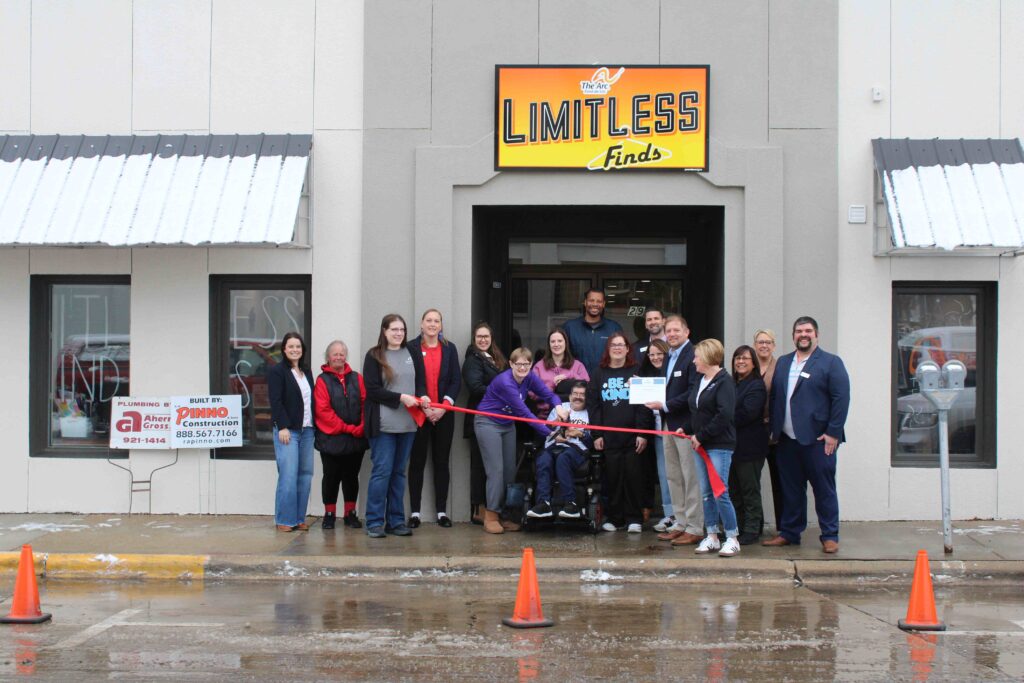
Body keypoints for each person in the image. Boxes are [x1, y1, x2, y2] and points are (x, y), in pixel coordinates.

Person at [764, 316, 851, 554]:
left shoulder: (831, 363)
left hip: (818, 440)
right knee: (791, 490)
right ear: (793, 336)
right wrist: (774, 430)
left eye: (808, 331)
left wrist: (833, 433)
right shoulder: (782, 362)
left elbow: (841, 399)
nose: (803, 334)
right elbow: (775, 398)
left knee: (824, 489)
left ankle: (830, 535)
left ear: (816, 334)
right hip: (786, 440)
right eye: (799, 331)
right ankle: (790, 532)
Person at [474, 348, 564, 534]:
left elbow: (548, 394)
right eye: (518, 364)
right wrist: (550, 433)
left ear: (531, 365)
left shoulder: (530, 377)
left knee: (509, 471)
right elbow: (525, 414)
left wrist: (559, 406)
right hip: (488, 422)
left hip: (507, 424)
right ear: (511, 364)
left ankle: (505, 514)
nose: (522, 367)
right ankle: (490, 515)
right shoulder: (506, 382)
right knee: (496, 470)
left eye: (526, 364)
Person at [362, 314, 427, 539]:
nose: (398, 333)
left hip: (408, 424)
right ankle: (374, 522)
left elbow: (420, 383)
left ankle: (396, 521)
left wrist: (422, 397)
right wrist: (401, 397)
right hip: (383, 425)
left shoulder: (413, 353)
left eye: (402, 329)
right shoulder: (374, 356)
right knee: (382, 472)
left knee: (399, 473)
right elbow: (372, 390)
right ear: (384, 331)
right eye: (394, 330)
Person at [587, 332, 652, 533]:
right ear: (608, 349)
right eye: (613, 345)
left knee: (634, 478)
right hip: (609, 439)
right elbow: (594, 405)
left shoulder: (636, 370)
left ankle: (634, 519)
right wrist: (597, 434)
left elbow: (644, 404)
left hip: (633, 437)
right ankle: (615, 519)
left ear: (627, 348)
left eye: (621, 345)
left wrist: (642, 432)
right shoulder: (599, 373)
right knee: (613, 479)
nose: (617, 348)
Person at [682, 338, 741, 557]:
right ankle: (712, 535)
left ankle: (732, 537)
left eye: (696, 356)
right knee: (706, 493)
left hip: (718, 445)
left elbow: (724, 415)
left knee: (720, 492)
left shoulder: (724, 381)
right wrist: (685, 428)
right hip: (701, 444)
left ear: (707, 357)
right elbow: (697, 411)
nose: (694, 360)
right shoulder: (701, 379)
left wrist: (701, 435)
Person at [649, 315, 704, 546]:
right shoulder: (669, 356)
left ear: (687, 332)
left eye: (676, 330)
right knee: (674, 476)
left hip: (685, 425)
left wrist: (666, 405)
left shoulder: (692, 355)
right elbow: (664, 389)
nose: (671, 334)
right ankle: (680, 523)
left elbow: (693, 392)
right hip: (667, 424)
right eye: (668, 331)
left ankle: (694, 527)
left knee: (690, 476)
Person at [407, 309, 461, 529]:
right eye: (428, 320)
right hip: (419, 414)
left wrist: (444, 407)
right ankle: (415, 513)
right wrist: (422, 402)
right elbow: (410, 378)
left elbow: (456, 380)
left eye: (436, 321)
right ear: (421, 324)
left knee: (441, 463)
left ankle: (441, 512)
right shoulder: (410, 348)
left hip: (443, 415)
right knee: (417, 463)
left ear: (441, 325)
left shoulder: (449, 348)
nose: (432, 324)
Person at [313, 340, 368, 530]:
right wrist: (350, 428)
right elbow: (323, 412)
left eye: (342, 354)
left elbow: (364, 402)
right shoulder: (322, 380)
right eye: (334, 354)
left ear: (346, 356)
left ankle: (350, 514)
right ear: (328, 357)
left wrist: (362, 425)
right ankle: (329, 514)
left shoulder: (357, 378)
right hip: (331, 439)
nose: (338, 357)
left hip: (355, 439)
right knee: (331, 477)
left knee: (351, 476)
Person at [267, 331, 316, 532]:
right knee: (288, 475)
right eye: (291, 347)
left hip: (307, 430)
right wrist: (283, 426)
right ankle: (285, 520)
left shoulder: (306, 371)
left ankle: (298, 518)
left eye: (298, 346)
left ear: (302, 350)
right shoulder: (277, 371)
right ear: (284, 350)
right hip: (288, 431)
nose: (295, 350)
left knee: (305, 475)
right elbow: (276, 401)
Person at [462, 322, 507, 525]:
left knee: (495, 467)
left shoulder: (495, 358)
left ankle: (495, 508)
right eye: (479, 336)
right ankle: (479, 509)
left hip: (498, 419)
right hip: (480, 419)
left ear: (491, 339)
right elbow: (476, 387)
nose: (483, 340)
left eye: (486, 337)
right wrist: (503, 392)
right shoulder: (473, 360)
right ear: (474, 339)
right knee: (480, 467)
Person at [526, 381, 592, 519]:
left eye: (582, 394)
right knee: (543, 459)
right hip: (553, 445)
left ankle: (571, 504)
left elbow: (595, 441)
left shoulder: (589, 412)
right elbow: (543, 432)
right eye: (575, 394)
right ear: (569, 396)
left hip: (575, 449)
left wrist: (580, 434)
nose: (578, 397)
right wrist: (554, 427)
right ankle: (543, 504)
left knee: (563, 459)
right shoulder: (560, 408)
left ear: (587, 397)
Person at [729, 345, 768, 545]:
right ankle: (740, 527)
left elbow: (747, 414)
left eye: (745, 358)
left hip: (750, 447)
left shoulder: (756, 385)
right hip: (733, 448)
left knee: (749, 490)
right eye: (737, 358)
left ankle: (752, 529)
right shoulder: (733, 383)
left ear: (753, 362)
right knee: (734, 490)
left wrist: (722, 418)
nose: (740, 362)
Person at [640, 339, 674, 532]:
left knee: (678, 475)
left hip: (674, 430)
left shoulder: (672, 373)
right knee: (663, 475)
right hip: (657, 433)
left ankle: (681, 515)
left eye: (659, 353)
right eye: (651, 354)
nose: (655, 358)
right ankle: (669, 515)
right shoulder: (646, 375)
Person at [754, 328, 783, 534]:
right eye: (760, 342)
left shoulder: (781, 367)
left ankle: (784, 526)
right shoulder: (749, 366)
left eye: (768, 342)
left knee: (780, 481)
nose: (764, 345)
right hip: (753, 431)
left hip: (774, 432)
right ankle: (756, 525)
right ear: (755, 345)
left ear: (773, 345)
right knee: (752, 481)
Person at [530, 326, 589, 418]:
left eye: (560, 341)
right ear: (549, 344)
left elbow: (588, 388)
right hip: (544, 417)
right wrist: (551, 386)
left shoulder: (578, 365)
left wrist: (571, 375)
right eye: (553, 341)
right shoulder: (539, 366)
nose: (556, 344)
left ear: (566, 343)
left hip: (575, 417)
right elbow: (531, 393)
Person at [563, 288, 623, 375]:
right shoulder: (570, 328)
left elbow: (622, 357)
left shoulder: (614, 328)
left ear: (603, 304)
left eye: (599, 301)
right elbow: (561, 356)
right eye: (591, 300)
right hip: (577, 383)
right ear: (585, 302)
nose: (595, 304)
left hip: (606, 382)